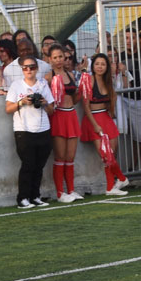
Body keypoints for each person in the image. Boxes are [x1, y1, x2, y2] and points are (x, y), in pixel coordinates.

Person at [5, 55, 56, 208]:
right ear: (22, 70)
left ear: (37, 68)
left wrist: (44, 103)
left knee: (39, 165)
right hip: (24, 130)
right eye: (25, 68)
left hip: (43, 129)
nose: (29, 70)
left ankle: (35, 195)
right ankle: (22, 198)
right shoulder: (16, 85)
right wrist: (22, 102)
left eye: (32, 67)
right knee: (28, 165)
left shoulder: (42, 85)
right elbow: (8, 108)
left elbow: (52, 110)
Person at [79, 52, 129, 196]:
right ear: (93, 66)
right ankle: (122, 178)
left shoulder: (108, 81)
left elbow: (111, 104)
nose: (100, 67)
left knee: (111, 154)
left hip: (106, 118)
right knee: (105, 154)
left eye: (103, 64)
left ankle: (110, 187)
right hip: (93, 119)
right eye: (97, 64)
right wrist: (95, 125)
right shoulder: (89, 79)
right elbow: (86, 106)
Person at [46, 44, 85, 202]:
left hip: (71, 115)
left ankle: (71, 190)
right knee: (60, 156)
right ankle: (60, 193)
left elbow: (74, 99)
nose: (58, 60)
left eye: (61, 57)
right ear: (50, 60)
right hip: (58, 116)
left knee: (70, 157)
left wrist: (82, 90)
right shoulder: (49, 76)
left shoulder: (70, 75)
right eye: (55, 57)